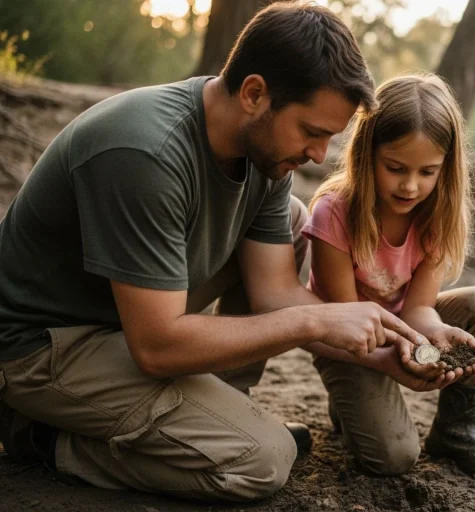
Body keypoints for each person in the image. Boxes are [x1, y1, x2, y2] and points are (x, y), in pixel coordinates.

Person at [0, 3, 438, 503]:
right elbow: (158, 347)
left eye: (329, 138)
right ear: (254, 94)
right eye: (312, 132)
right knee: (261, 460)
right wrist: (316, 322)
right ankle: (39, 437)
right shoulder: (146, 153)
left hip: (127, 321)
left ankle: (224, 407)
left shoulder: (265, 155)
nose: (320, 155)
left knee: (291, 218)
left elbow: (274, 292)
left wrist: (388, 356)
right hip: (42, 346)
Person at [301, 74, 475, 481]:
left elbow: (417, 307)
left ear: (445, 169)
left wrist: (434, 333)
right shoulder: (333, 213)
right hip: (347, 340)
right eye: (395, 168)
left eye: (428, 172)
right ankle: (349, 400)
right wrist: (409, 349)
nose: (411, 185)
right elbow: (350, 320)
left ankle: (456, 430)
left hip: (400, 324)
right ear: (366, 154)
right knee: (394, 459)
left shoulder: (436, 214)